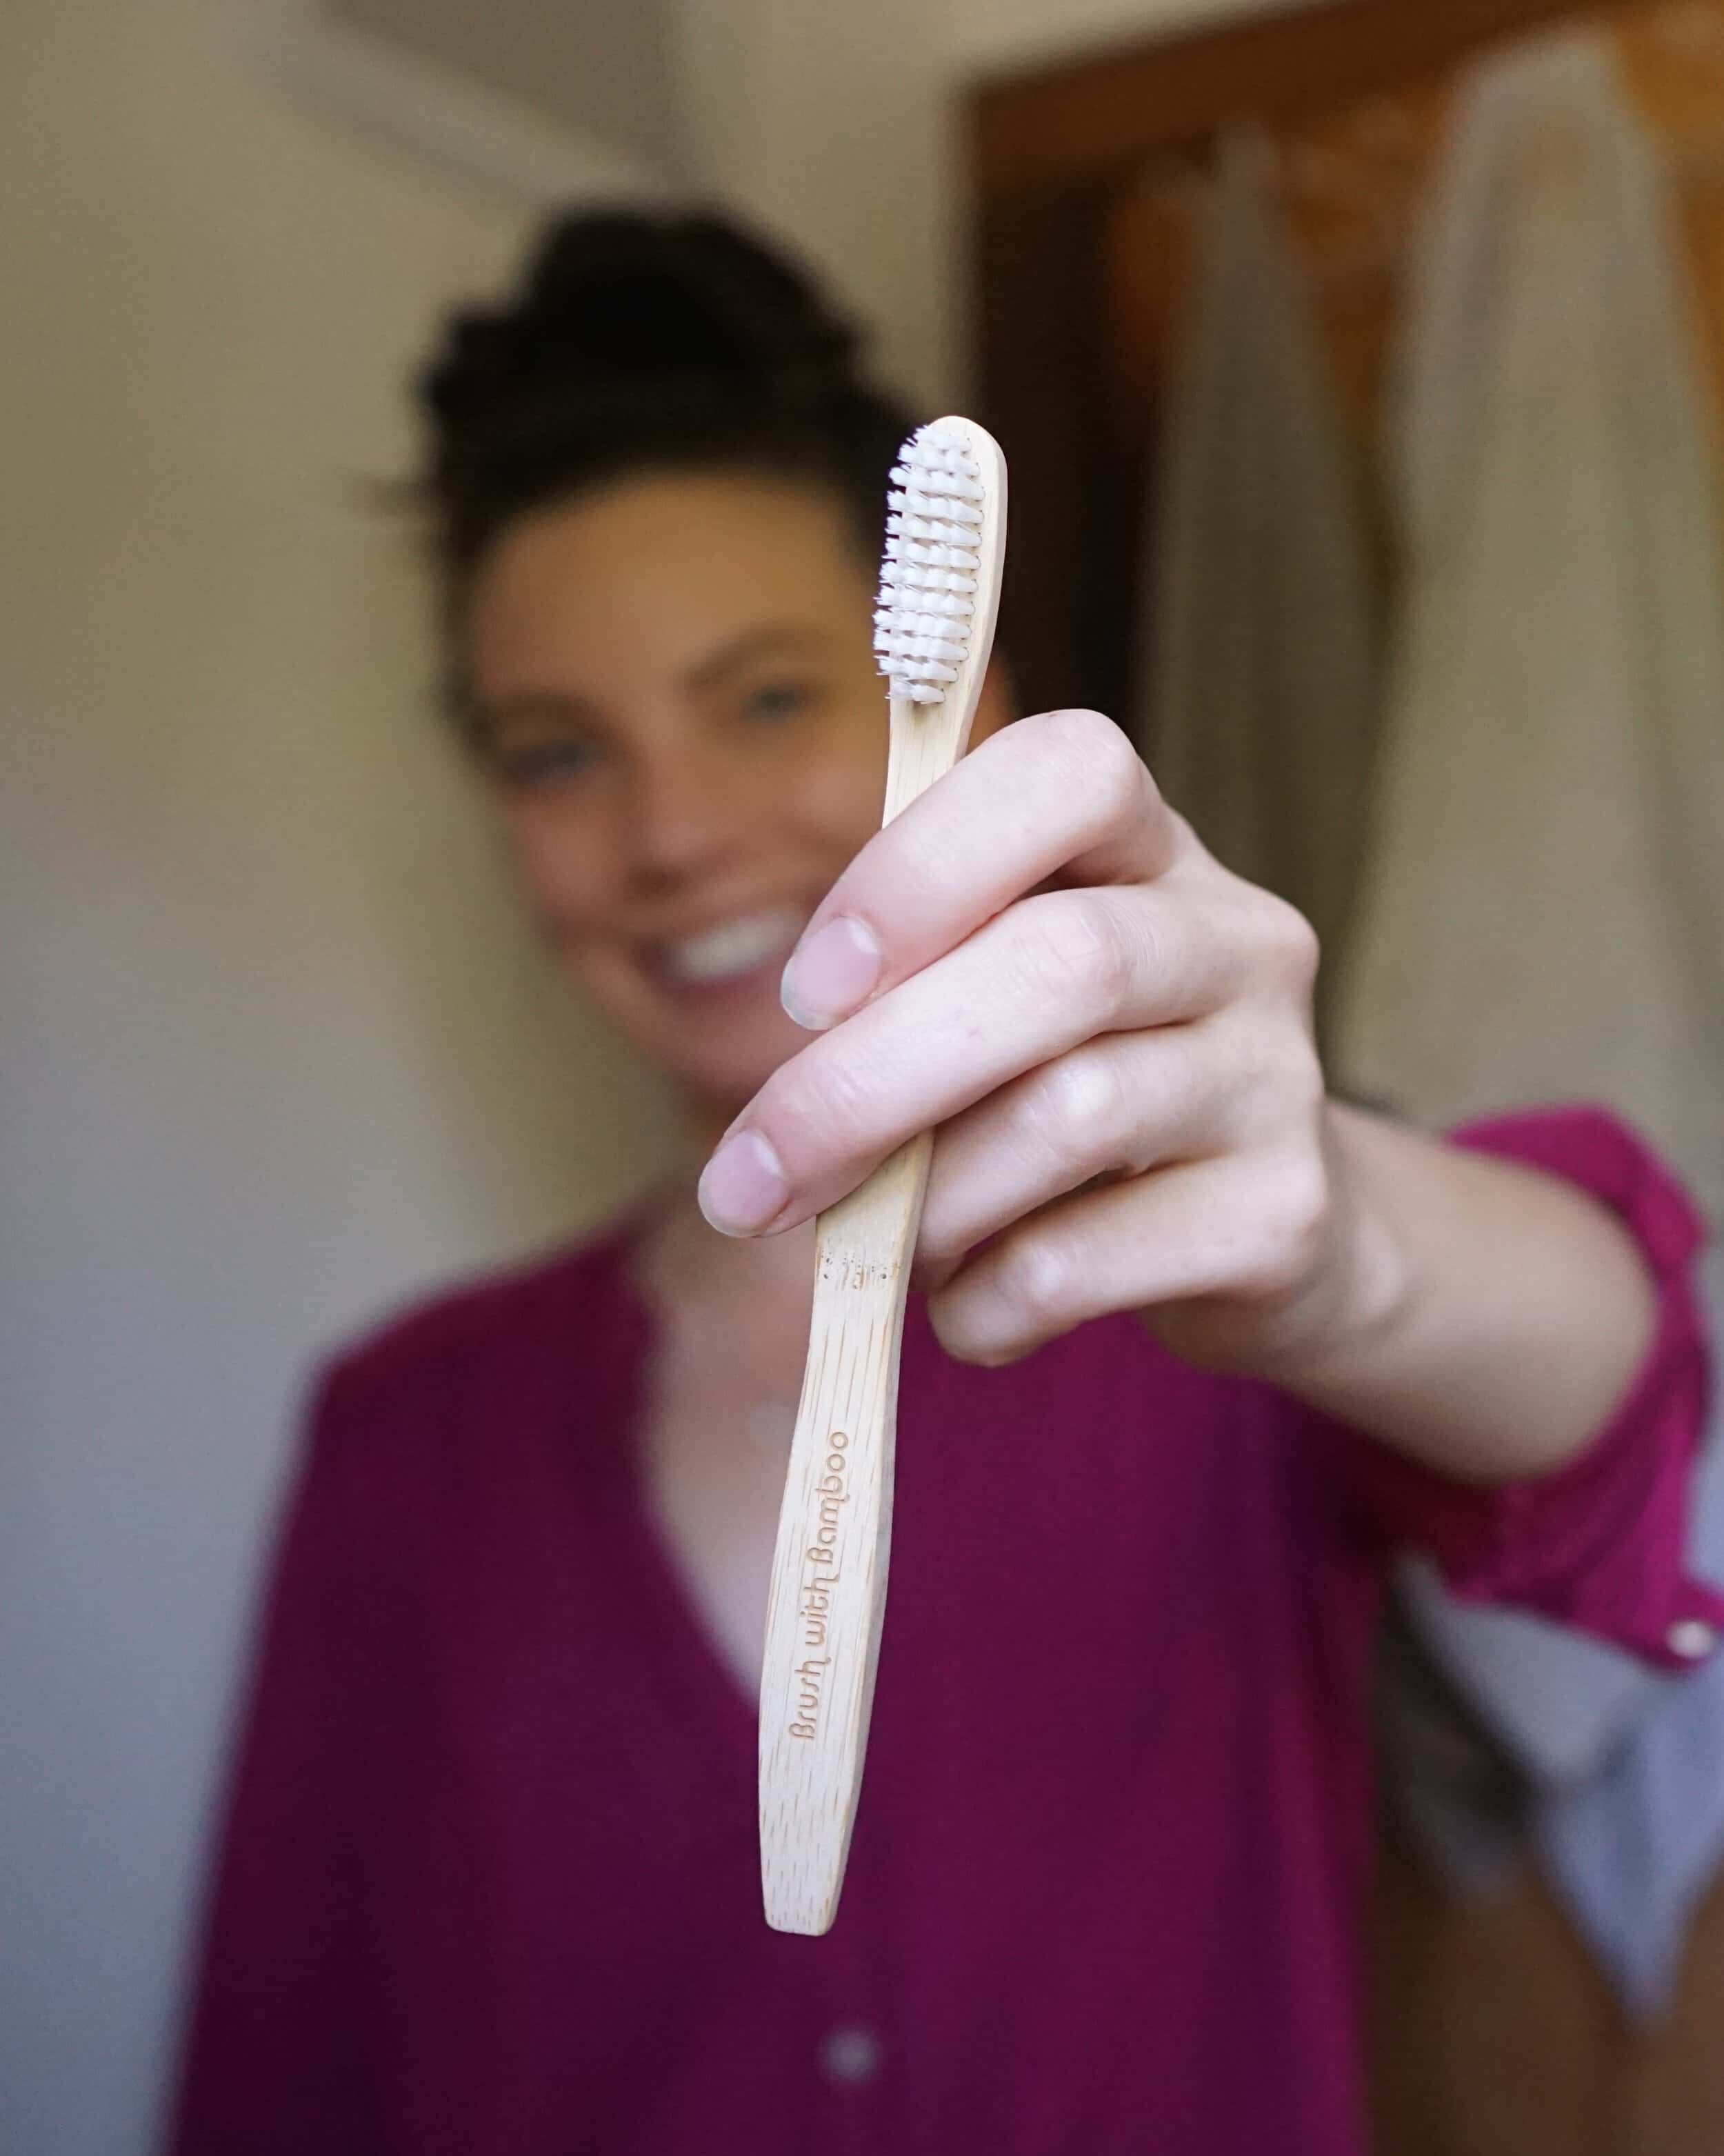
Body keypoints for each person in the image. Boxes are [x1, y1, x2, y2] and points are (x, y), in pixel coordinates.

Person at [166, 211, 1719, 2156]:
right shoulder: (400, 1435)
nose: (669, 832)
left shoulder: (1206, 1303)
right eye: (559, 752)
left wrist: (1347, 1256)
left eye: (764, 698)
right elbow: (275, 2084)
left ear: (964, 714)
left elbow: (1618, 1393)